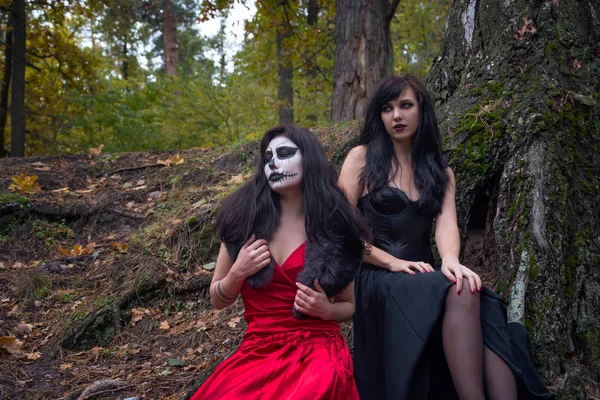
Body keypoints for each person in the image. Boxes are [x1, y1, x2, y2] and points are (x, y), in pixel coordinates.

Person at [339, 74, 553, 400]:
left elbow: (446, 225)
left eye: (406, 106)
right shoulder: (361, 158)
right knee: (466, 293)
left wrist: (451, 260)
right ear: (379, 116)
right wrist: (391, 262)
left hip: (422, 274)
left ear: (422, 110)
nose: (396, 115)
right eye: (387, 108)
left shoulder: (440, 171)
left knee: (475, 294)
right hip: (375, 276)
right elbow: (339, 227)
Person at [191, 125, 369, 400]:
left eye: (284, 153)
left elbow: (349, 306)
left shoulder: (335, 227)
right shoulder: (243, 220)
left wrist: (326, 310)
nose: (273, 162)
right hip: (258, 349)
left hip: (317, 347)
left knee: (312, 391)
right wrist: (237, 273)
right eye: (267, 158)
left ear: (308, 159)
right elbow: (217, 298)